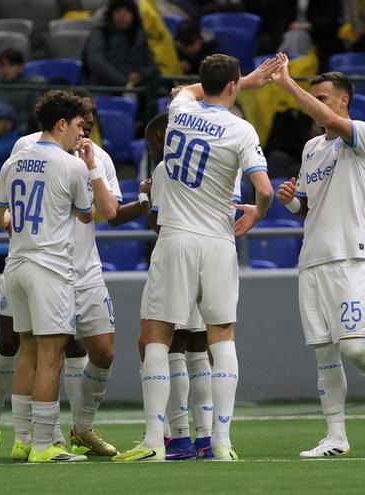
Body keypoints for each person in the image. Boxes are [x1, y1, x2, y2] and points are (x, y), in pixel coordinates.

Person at [0, 87, 151, 460]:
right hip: (50, 265)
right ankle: (37, 440)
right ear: (64, 122)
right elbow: (89, 212)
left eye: (90, 125)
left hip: (66, 268)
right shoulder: (54, 157)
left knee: (74, 351)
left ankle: (55, 434)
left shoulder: (61, 158)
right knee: (32, 349)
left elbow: (108, 212)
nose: (85, 133)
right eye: (81, 124)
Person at [113, 53, 279, 463]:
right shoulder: (242, 129)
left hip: (177, 237)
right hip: (219, 240)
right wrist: (257, 212)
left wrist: (246, 82)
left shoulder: (180, 109)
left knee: (156, 335)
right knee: (221, 337)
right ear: (234, 85)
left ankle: (155, 441)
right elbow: (266, 188)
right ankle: (221, 443)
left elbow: (188, 90)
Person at [271, 55, 365, 458]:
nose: (315, 104)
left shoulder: (362, 135)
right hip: (312, 259)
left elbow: (326, 118)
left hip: (349, 257)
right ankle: (336, 437)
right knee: (325, 353)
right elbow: (310, 207)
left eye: (322, 98)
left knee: (354, 348)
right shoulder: (312, 148)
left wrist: (286, 85)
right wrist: (293, 203)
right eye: (313, 97)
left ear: (344, 101)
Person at [139, 111, 242, 460]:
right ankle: (211, 440)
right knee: (205, 348)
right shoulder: (228, 154)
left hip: (178, 250)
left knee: (167, 344)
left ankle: (174, 438)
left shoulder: (165, 168)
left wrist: (145, 200)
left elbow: (158, 220)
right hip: (217, 248)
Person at [83, 0, 158, 88]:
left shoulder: (140, 36)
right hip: (104, 88)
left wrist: (141, 74)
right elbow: (96, 62)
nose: (123, 15)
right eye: (118, 10)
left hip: (137, 89)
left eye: (128, 11)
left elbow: (152, 67)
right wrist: (125, 82)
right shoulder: (102, 33)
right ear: (110, 14)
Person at [0, 48, 39, 134]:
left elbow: (35, 116)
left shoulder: (30, 88)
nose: (5, 69)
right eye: (2, 65)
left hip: (23, 135)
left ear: (20, 67)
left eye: (10, 65)